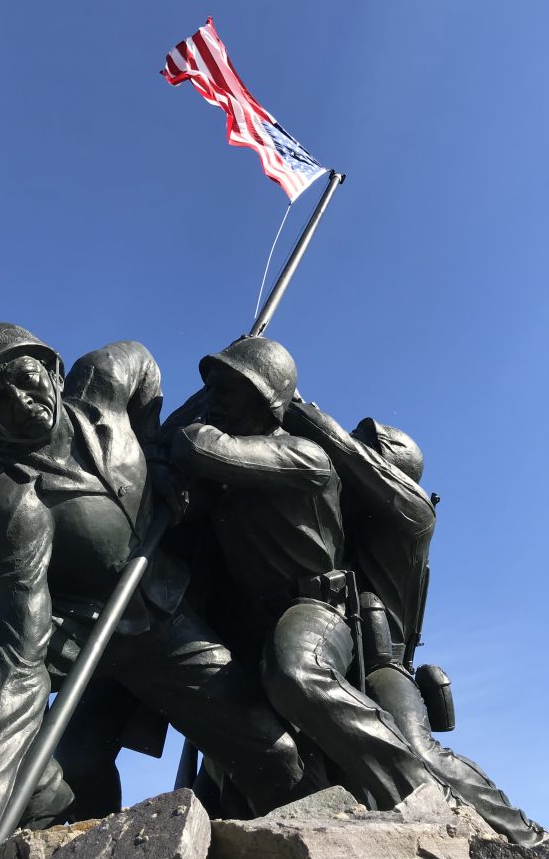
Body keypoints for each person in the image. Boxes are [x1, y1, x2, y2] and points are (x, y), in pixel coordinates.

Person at [0, 323, 304, 846]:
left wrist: (156, 453)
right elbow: (20, 651)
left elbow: (143, 362)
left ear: (53, 369)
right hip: (69, 632)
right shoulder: (1, 501)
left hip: (162, 620)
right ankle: (44, 795)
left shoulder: (105, 380)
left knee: (276, 755)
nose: (21, 403)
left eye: (26, 379)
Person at [170, 336, 464, 814]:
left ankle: (428, 802)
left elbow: (202, 446)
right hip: (257, 623)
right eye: (213, 388)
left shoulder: (317, 463)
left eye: (228, 388)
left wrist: (199, 416)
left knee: (300, 674)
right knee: (233, 737)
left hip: (335, 625)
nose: (216, 398)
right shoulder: (237, 481)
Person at [282, 401, 544, 845]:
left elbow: (344, 452)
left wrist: (288, 401)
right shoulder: (350, 515)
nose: (356, 450)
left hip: (385, 662)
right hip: (340, 648)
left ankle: (527, 838)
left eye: (368, 447)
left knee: (419, 750)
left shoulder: (413, 513)